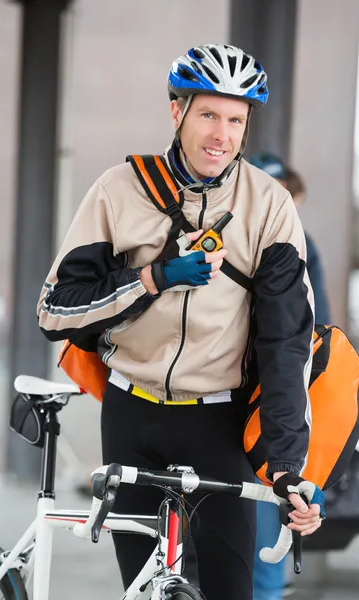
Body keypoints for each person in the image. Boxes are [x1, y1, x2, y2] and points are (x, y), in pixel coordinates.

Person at [37, 45, 324, 600]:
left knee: (228, 589)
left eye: (235, 120)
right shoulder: (119, 189)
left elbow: (287, 343)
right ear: (178, 112)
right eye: (209, 115)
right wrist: (152, 280)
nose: (222, 134)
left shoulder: (270, 207)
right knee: (144, 590)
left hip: (219, 421)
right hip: (131, 415)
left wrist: (287, 466)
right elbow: (56, 310)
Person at [248, 152, 331, 600]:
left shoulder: (294, 245)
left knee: (265, 525)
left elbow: (312, 337)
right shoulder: (291, 243)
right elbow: (315, 337)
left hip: (262, 405)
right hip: (263, 406)